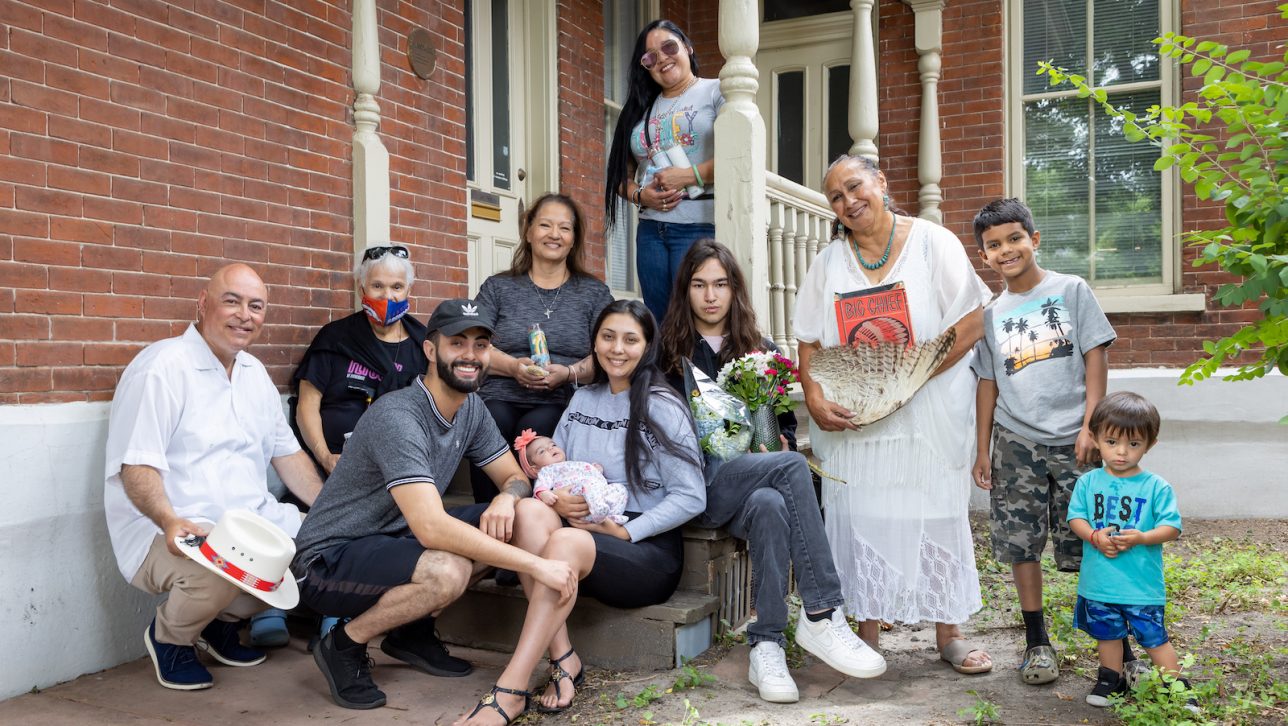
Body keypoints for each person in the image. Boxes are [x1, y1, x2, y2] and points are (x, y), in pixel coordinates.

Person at [288, 298, 585, 716]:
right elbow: (431, 528)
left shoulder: (471, 409)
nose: (470, 355)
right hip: (330, 557)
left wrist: (505, 497)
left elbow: (515, 477)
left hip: (395, 538)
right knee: (448, 570)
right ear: (430, 350)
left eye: (481, 345)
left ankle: (411, 631)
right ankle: (343, 642)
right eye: (457, 343)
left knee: (527, 512)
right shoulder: (399, 417)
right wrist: (536, 565)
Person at [658, 240, 887, 703]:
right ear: (685, 292)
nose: (710, 296)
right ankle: (822, 611)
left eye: (720, 284)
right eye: (699, 285)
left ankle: (767, 644)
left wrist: (776, 438)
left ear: (734, 289)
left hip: (752, 489)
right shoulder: (667, 352)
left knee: (770, 502)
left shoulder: (760, 349)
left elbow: (784, 420)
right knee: (788, 468)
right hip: (700, 486)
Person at [793, 154, 994, 673]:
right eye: (835, 197)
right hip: (861, 419)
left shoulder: (933, 243)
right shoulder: (828, 263)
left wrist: (913, 377)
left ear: (881, 182)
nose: (848, 201)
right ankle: (866, 633)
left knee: (935, 507)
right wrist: (813, 395)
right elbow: (809, 341)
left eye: (855, 186)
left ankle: (948, 632)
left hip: (929, 407)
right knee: (862, 511)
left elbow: (972, 323)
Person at [103, 264, 325, 691]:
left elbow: (288, 454)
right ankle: (170, 637)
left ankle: (216, 624)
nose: (245, 314)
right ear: (203, 304)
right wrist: (169, 520)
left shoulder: (253, 373)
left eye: (256, 306)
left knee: (320, 546)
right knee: (223, 562)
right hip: (167, 526)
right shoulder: (162, 368)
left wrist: (329, 510)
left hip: (245, 521)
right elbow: (137, 466)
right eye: (232, 301)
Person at [501, 299, 706, 716]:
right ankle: (564, 661)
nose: (617, 348)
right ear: (594, 342)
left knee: (564, 543)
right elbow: (558, 470)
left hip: (641, 549)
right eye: (608, 336)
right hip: (582, 534)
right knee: (528, 513)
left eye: (631, 339)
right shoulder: (581, 401)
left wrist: (627, 530)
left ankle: (510, 686)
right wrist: (558, 501)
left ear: (647, 346)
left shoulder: (662, 406)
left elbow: (691, 495)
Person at [968, 198, 1139, 686]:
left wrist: (1093, 427)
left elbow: (1094, 358)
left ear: (1034, 239)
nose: (1006, 251)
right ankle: (1037, 643)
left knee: (1093, 543)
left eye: (1014, 239)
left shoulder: (1071, 290)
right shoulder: (991, 315)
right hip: (1015, 441)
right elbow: (987, 383)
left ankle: (1120, 650)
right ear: (984, 256)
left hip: (1076, 441)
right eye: (994, 245)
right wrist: (982, 449)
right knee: (1021, 545)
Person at [249, 244, 426, 650]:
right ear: (361, 287)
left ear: (409, 289)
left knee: (371, 519)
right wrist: (325, 455)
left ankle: (339, 610)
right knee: (289, 509)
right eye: (377, 285)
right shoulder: (336, 338)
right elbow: (307, 406)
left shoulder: (423, 344)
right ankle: (269, 602)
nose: (387, 296)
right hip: (326, 458)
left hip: (390, 467)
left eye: (396, 286)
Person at [470, 193, 614, 504]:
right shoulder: (498, 287)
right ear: (529, 231)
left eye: (564, 228)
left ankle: (531, 516)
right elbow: (475, 345)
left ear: (574, 239)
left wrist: (569, 373)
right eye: (545, 225)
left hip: (562, 395)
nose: (554, 234)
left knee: (537, 428)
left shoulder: (593, 293)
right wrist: (512, 367)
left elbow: (608, 352)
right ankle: (484, 514)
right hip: (499, 392)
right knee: (492, 420)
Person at [1067, 392, 1197, 713]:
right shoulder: (1087, 482)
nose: (1122, 452)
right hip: (1100, 583)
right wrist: (1095, 536)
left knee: (1154, 638)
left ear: (1150, 444)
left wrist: (1141, 537)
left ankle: (1177, 687)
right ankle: (1111, 679)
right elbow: (1076, 519)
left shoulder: (1156, 487)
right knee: (1107, 635)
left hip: (1141, 587)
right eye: (1111, 442)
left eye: (1134, 444)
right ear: (1095, 438)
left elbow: (1172, 528)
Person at [605, 19, 723, 322]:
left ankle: (699, 372)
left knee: (697, 318)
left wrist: (689, 176)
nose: (662, 59)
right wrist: (641, 196)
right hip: (651, 232)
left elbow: (738, 158)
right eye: (650, 58)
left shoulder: (716, 91)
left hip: (700, 227)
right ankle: (664, 373)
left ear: (688, 47)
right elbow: (619, 174)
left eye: (669, 47)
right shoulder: (640, 106)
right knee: (658, 320)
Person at [514, 429, 628, 525]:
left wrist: (596, 470)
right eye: (542, 451)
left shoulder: (571, 463)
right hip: (579, 499)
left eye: (553, 445)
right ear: (535, 468)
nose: (551, 448)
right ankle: (597, 511)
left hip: (599, 493)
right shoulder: (547, 471)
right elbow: (540, 486)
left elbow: (585, 472)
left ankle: (612, 517)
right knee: (586, 485)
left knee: (620, 489)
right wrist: (543, 494)